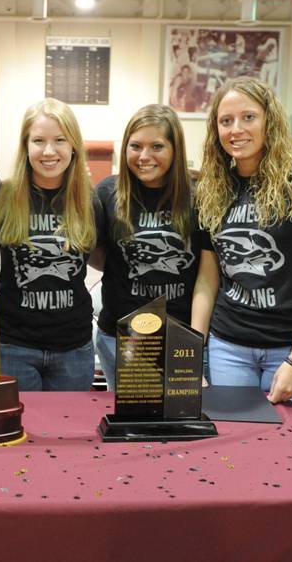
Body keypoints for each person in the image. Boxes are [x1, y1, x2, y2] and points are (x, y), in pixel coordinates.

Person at [193, 76, 292, 416]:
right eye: (226, 121)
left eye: (248, 117)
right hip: (229, 347)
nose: (237, 129)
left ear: (270, 120)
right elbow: (207, 279)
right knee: (236, 453)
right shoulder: (212, 187)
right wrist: (192, 351)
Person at [95, 104, 214, 391]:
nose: (144, 156)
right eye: (135, 146)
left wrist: (193, 347)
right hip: (120, 337)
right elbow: (99, 257)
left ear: (176, 150)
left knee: (182, 428)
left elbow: (208, 278)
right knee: (132, 431)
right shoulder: (108, 192)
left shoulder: (199, 195)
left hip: (180, 337)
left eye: (157, 146)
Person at [0, 98, 103, 391]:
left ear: (73, 145)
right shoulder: (2, 197)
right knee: (18, 434)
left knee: (67, 433)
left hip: (74, 349)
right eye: (38, 140)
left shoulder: (90, 201)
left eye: (59, 140)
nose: (49, 151)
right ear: (25, 146)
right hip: (12, 346)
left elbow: (102, 259)